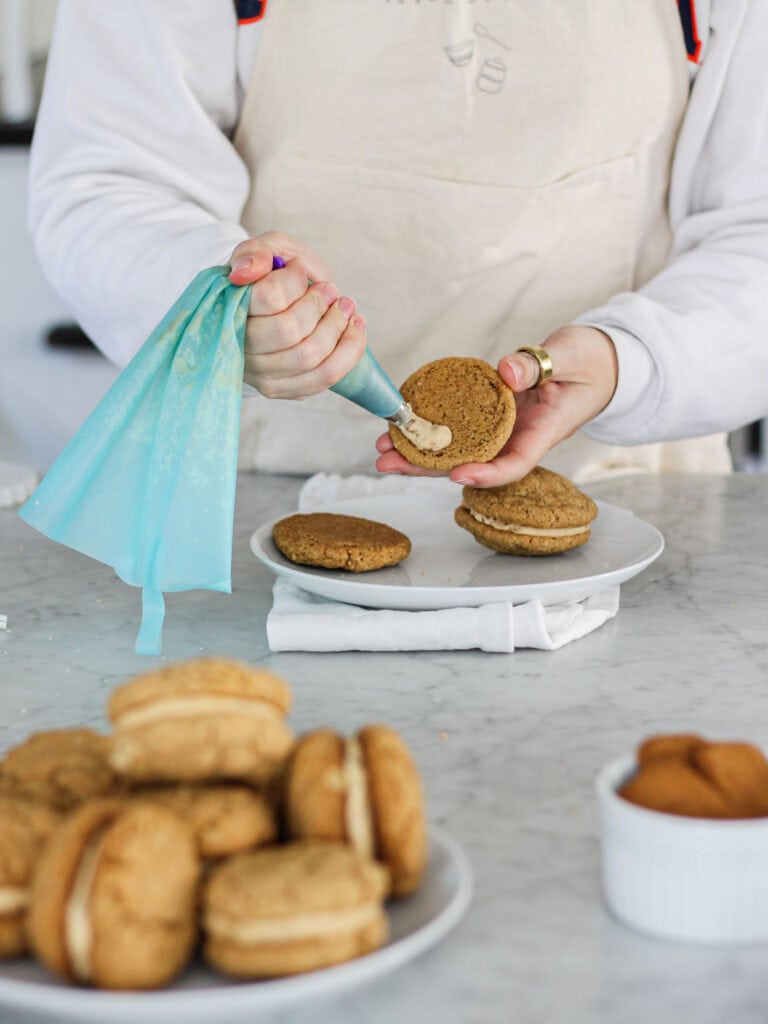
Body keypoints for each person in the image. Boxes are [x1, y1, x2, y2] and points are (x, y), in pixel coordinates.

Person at [28, 1, 768, 486]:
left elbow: (755, 228)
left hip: (625, 491)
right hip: (263, 495)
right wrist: (226, 309)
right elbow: (111, 182)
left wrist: (630, 362)